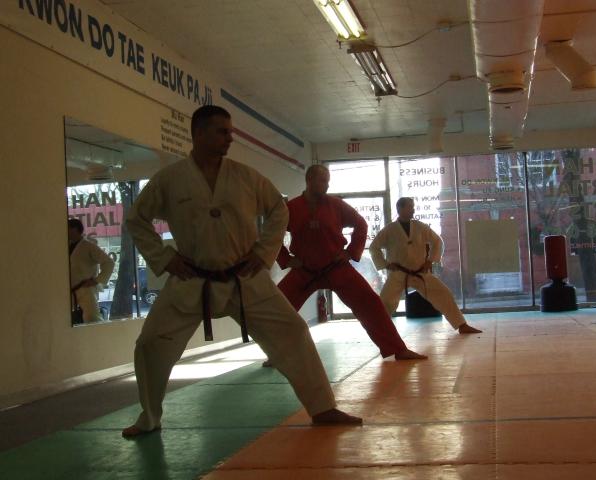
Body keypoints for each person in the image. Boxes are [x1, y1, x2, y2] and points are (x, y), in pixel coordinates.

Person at [121, 106, 360, 438]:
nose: (230, 138)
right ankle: (149, 417)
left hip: (244, 278)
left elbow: (278, 209)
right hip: (191, 280)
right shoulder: (170, 180)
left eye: (230, 131)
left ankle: (323, 407)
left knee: (293, 331)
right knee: (150, 344)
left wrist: (263, 252)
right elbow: (136, 219)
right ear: (199, 133)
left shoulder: (246, 177)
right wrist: (163, 257)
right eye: (222, 131)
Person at [275, 165, 426, 361]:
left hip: (336, 268)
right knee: (277, 307)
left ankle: (398, 349)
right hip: (304, 270)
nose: (327, 185)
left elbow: (361, 224)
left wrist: (350, 252)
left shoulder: (335, 205)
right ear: (309, 180)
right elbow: (272, 233)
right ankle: (275, 352)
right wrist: (286, 259)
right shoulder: (292, 208)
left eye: (328, 181)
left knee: (371, 303)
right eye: (323, 180)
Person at [370, 197, 482, 334]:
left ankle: (461, 325)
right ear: (400, 209)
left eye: (413, 207)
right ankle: (379, 330)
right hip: (399, 273)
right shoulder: (389, 230)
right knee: (385, 301)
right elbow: (374, 247)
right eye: (410, 207)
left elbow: (437, 242)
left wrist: (430, 261)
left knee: (443, 294)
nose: (413, 210)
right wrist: (386, 264)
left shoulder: (420, 226)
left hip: (420, 272)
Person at [68, 218, 114, 323]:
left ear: (75, 229)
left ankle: (98, 334)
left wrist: (97, 280)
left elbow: (109, 262)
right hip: (70, 290)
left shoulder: (88, 246)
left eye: (69, 228)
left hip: (86, 288)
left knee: (92, 318)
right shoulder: (66, 246)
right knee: (68, 321)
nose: (67, 232)